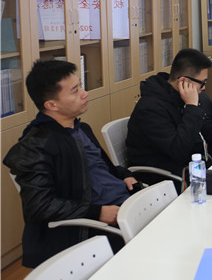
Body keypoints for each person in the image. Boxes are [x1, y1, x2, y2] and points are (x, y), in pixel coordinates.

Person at [3, 59, 139, 268]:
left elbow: (100, 168)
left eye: (81, 86)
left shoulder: (80, 128)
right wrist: (97, 212)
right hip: (95, 228)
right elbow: (39, 207)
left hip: (126, 205)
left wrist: (124, 175)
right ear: (52, 105)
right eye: (75, 91)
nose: (85, 94)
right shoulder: (35, 147)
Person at [126, 48, 212, 185]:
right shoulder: (151, 108)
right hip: (169, 179)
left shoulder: (181, 98)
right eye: (202, 82)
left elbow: (208, 131)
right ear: (183, 81)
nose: (204, 88)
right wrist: (192, 108)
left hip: (196, 168)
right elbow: (178, 150)